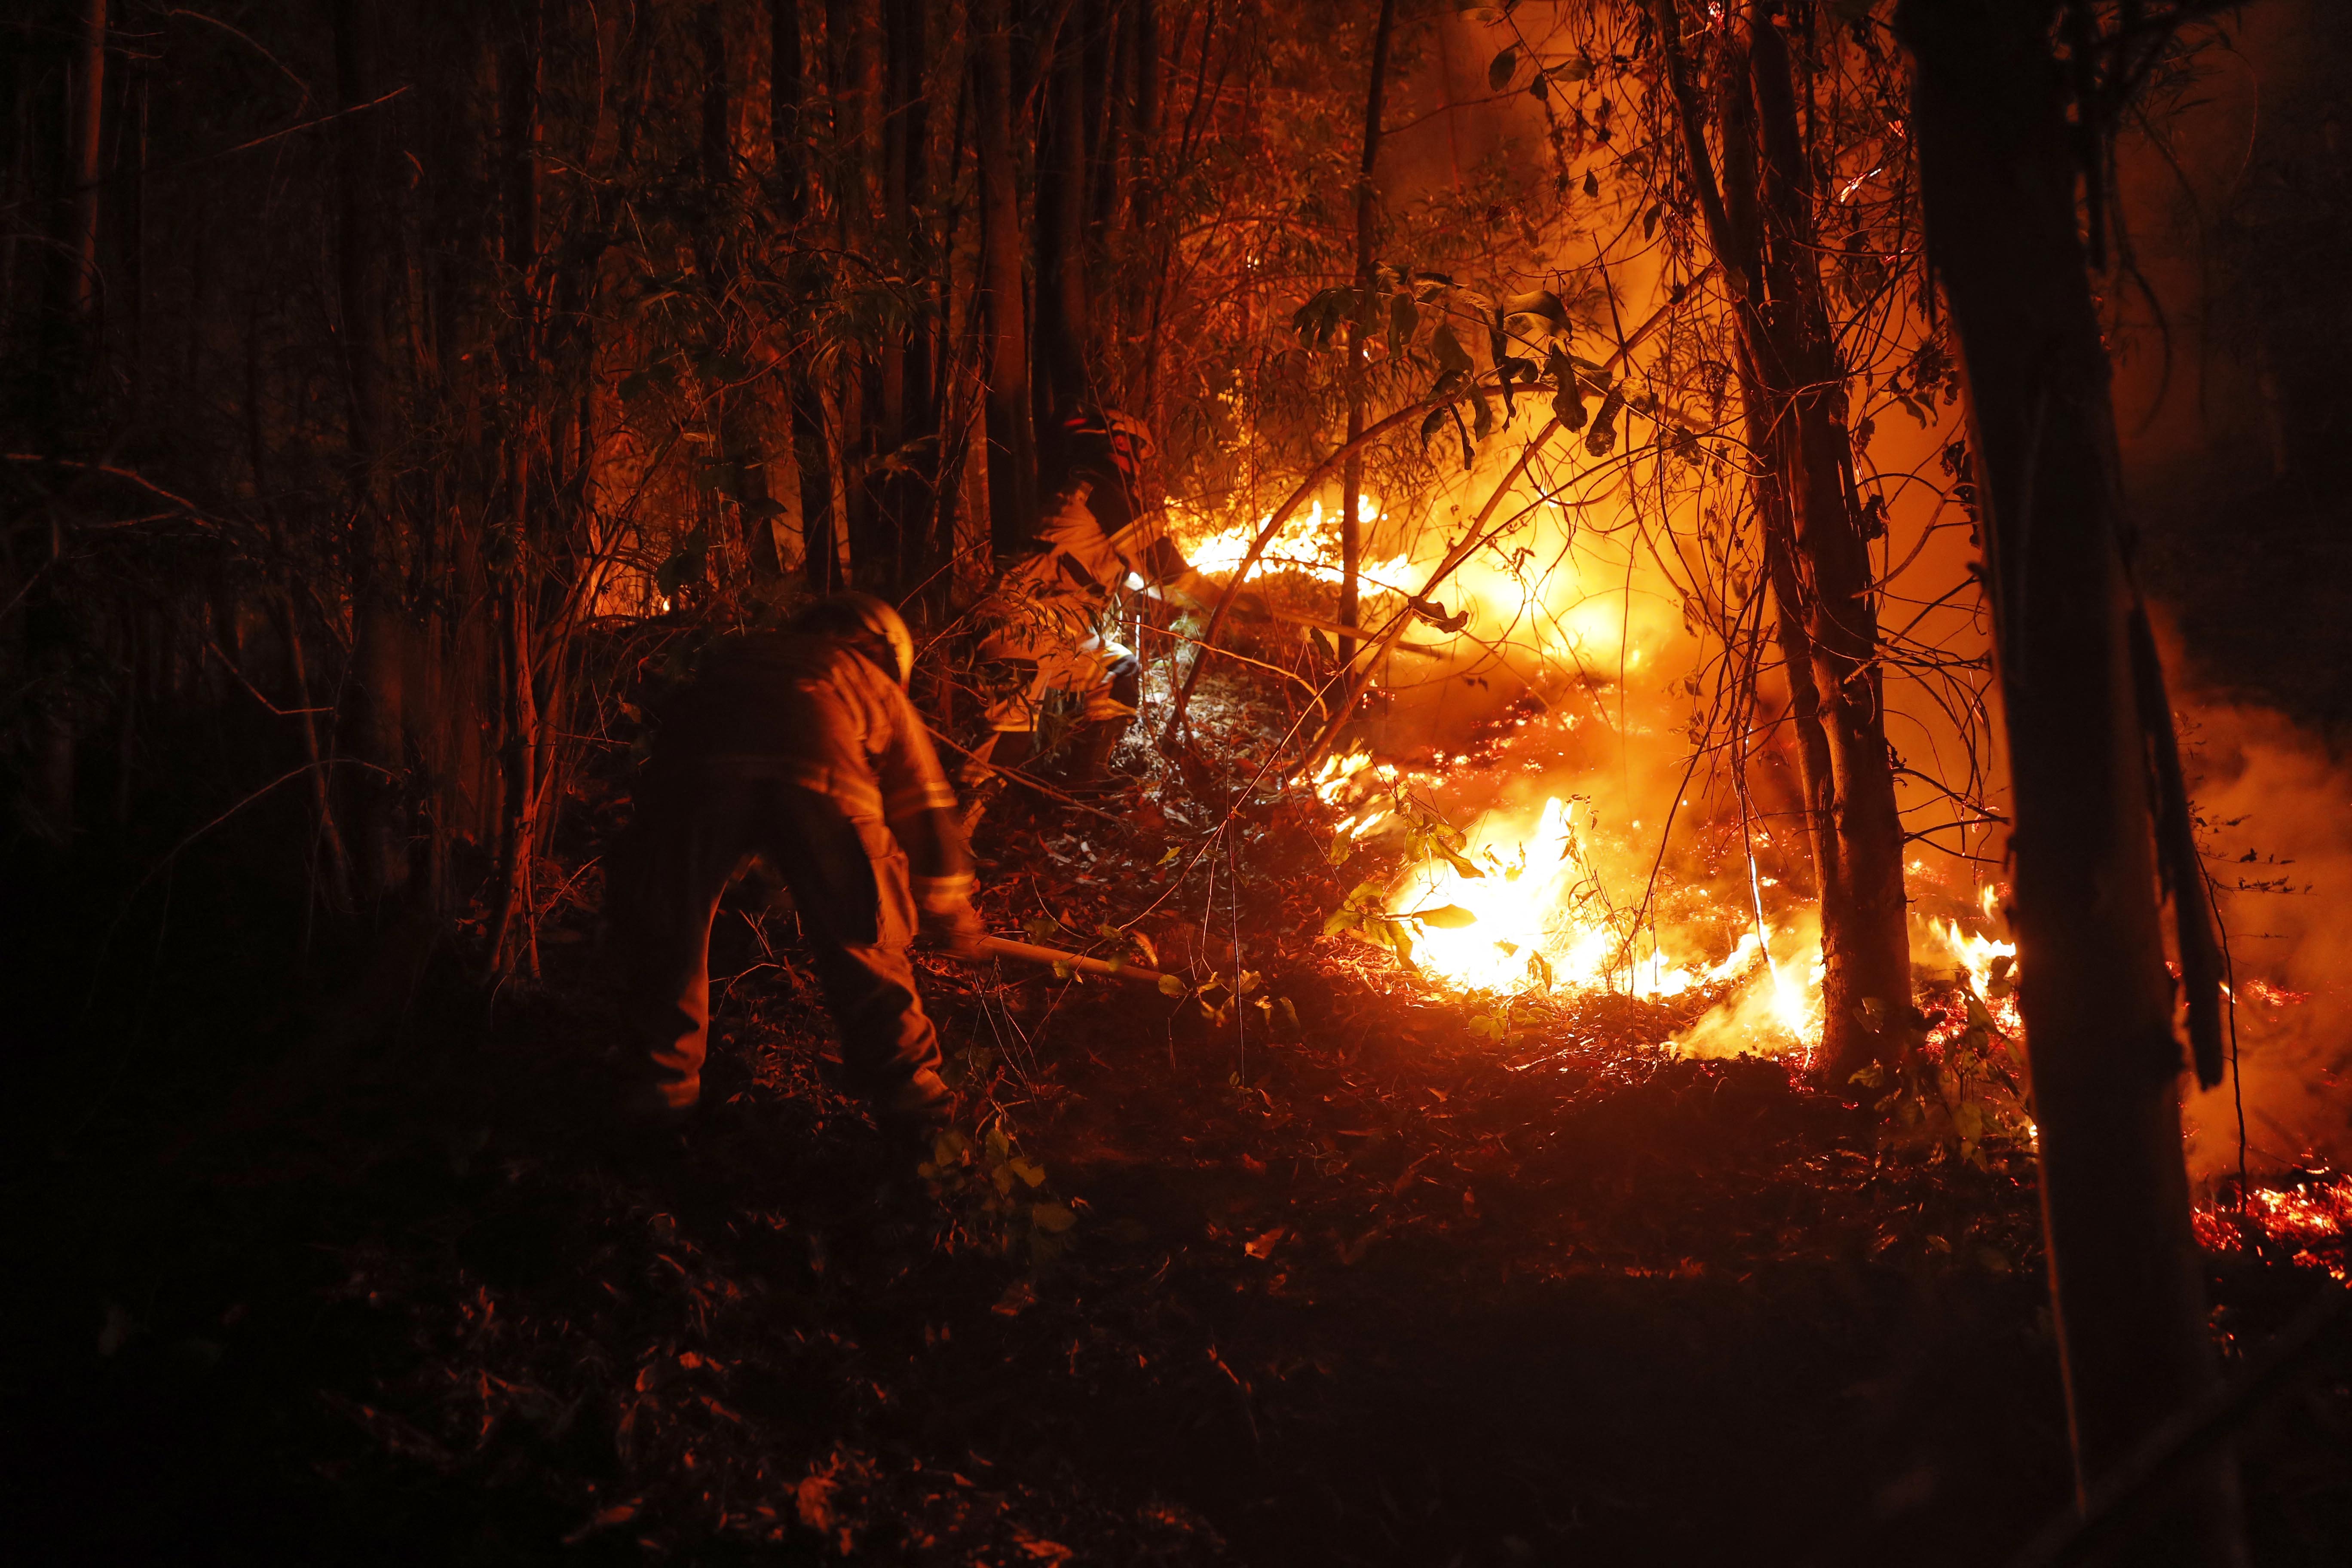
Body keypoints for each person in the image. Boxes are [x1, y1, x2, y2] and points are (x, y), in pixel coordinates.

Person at [608, 592, 985, 1136]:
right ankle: (916, 1105)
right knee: (864, 934)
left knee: (672, 929)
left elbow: (714, 777)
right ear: (886, 653)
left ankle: (658, 1097)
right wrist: (950, 907)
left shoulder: (733, 660)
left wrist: (749, 868)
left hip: (693, 774)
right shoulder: (866, 677)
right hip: (822, 778)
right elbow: (923, 803)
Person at [966, 406, 1258, 788]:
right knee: (1006, 745)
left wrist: (1217, 606)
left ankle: (1085, 785)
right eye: (1140, 454)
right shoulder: (1103, 493)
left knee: (1119, 669)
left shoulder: (1083, 494)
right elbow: (1164, 567)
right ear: (1121, 443)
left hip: (1052, 634)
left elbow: (1150, 582)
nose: (1140, 467)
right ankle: (956, 821)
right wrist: (1228, 601)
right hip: (1021, 630)